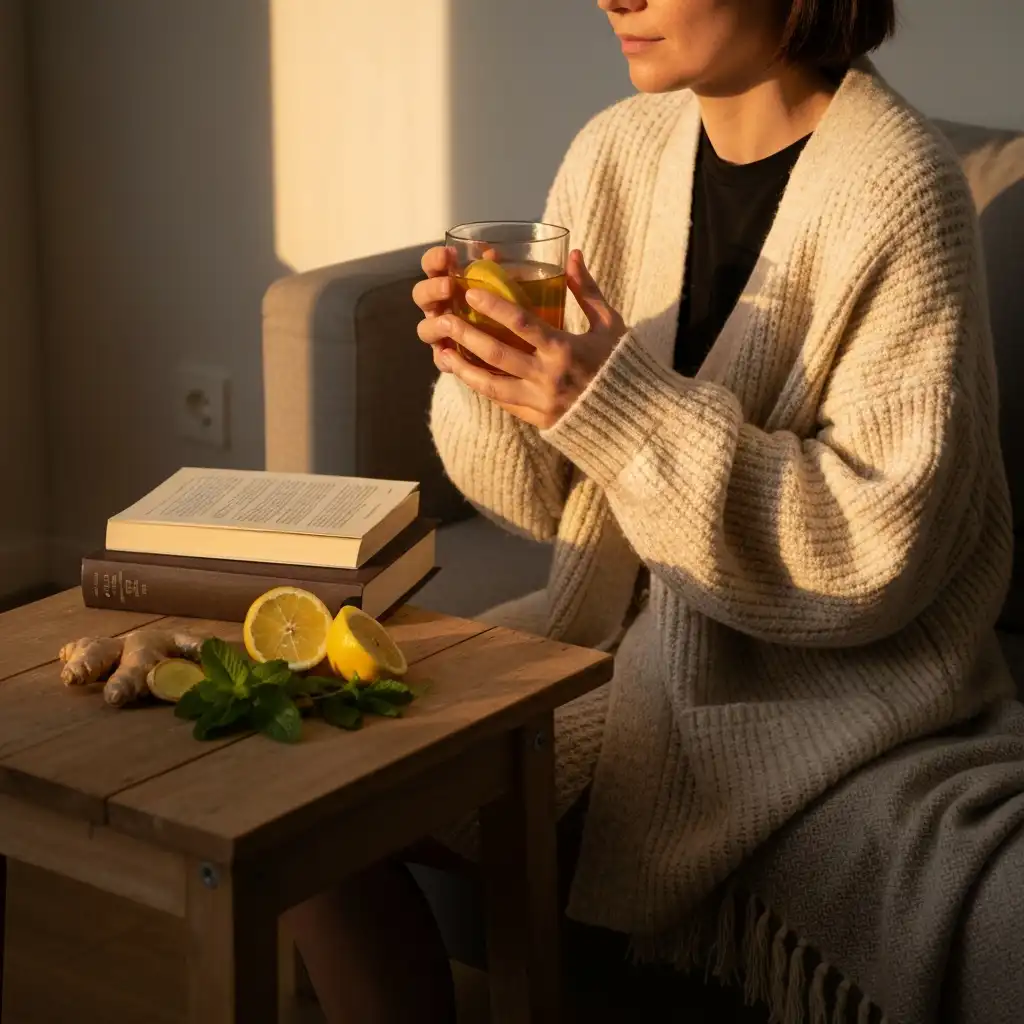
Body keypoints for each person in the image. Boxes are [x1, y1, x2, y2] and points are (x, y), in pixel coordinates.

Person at [286, 1, 1024, 1022]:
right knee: (289, 774)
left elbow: (875, 546)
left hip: (802, 678)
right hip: (600, 637)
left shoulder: (898, 188)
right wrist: (493, 382)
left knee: (328, 784)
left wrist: (606, 405)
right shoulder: (616, 152)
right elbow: (541, 502)